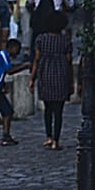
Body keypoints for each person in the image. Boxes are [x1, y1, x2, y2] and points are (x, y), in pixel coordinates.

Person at [29, 9, 73, 149]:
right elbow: (69, 61)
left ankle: (48, 136)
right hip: (61, 75)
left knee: (48, 109)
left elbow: (36, 59)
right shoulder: (65, 40)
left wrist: (32, 77)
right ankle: (56, 140)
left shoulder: (41, 39)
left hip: (45, 75)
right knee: (58, 111)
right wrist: (71, 81)